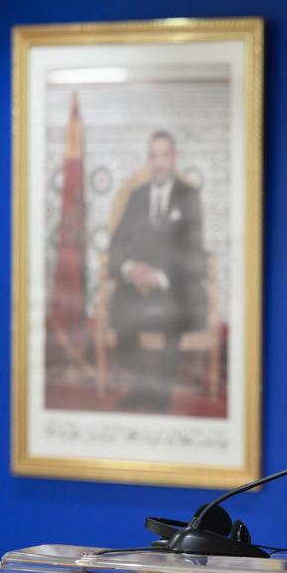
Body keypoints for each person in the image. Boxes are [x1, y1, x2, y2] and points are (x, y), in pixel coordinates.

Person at [108, 130, 207, 411]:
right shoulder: (137, 196)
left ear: (174, 158)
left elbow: (193, 250)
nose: (159, 163)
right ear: (148, 161)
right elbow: (117, 244)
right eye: (153, 156)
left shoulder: (189, 196)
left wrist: (159, 277)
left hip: (173, 286)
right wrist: (130, 269)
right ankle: (140, 390)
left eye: (165, 155)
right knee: (121, 308)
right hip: (138, 288)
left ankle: (162, 396)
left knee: (172, 313)